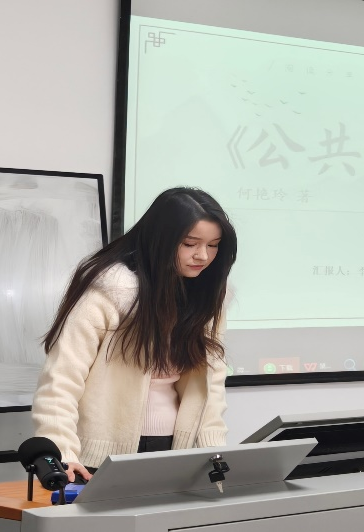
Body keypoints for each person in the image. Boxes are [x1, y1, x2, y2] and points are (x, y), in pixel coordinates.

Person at [31, 187, 237, 483]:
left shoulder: (207, 298)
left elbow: (211, 384)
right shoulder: (110, 293)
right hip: (99, 456)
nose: (203, 255)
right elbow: (61, 379)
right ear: (161, 240)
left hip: (177, 449)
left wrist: (213, 451)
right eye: (190, 243)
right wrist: (63, 451)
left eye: (214, 245)